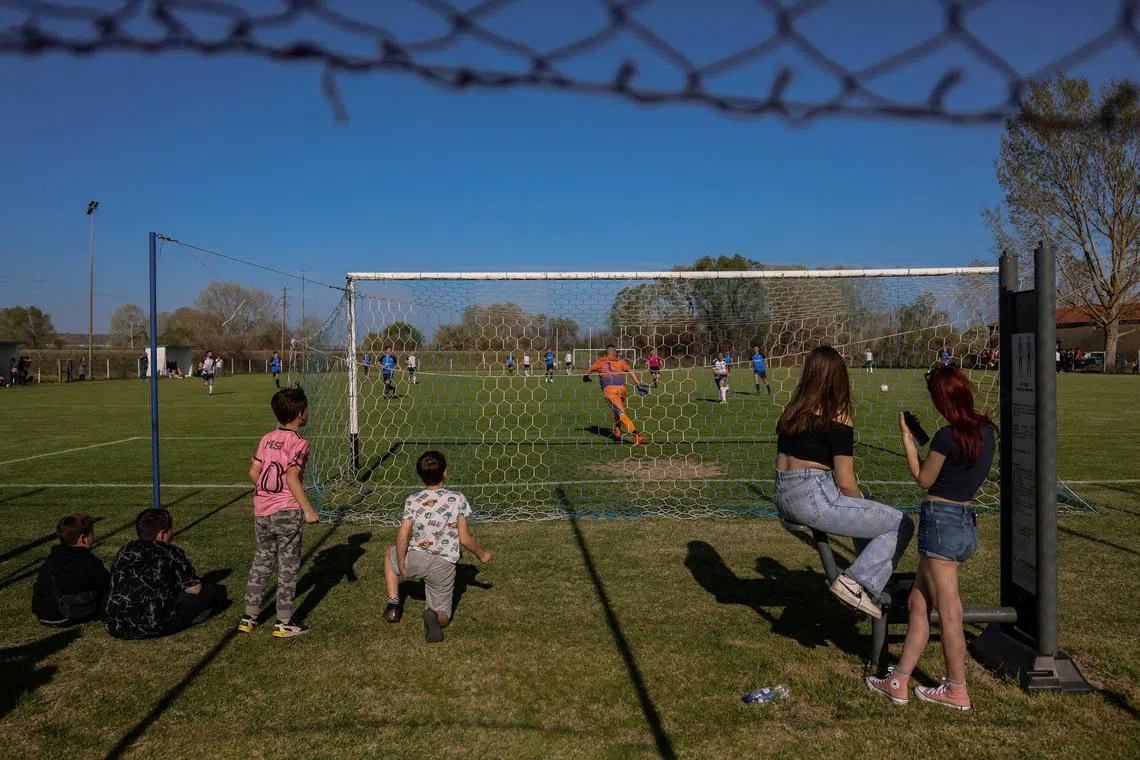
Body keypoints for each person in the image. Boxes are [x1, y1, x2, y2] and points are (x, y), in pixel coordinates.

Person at [866, 365, 996, 711]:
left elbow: (924, 479)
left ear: (943, 400)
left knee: (949, 610)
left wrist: (908, 440)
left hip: (941, 523)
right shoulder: (986, 432)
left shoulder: (946, 436)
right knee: (916, 604)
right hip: (964, 522)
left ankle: (957, 689)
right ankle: (899, 680)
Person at [774, 346, 914, 619]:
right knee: (901, 523)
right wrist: (861, 500)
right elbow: (847, 483)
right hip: (813, 498)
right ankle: (857, 582)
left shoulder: (791, 412)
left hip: (784, 495)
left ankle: (871, 584)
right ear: (839, 379)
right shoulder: (837, 418)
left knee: (867, 510)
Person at [384, 450, 492, 643]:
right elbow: (465, 538)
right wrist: (482, 554)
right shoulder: (457, 498)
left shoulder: (413, 500)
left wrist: (401, 563)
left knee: (389, 554)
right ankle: (434, 618)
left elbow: (402, 535)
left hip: (417, 557)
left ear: (420, 475)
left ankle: (393, 604)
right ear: (445, 473)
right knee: (444, 615)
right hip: (444, 564)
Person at [238, 387, 321, 638]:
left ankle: (249, 617)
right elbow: (292, 476)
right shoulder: (299, 443)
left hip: (262, 510)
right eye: (306, 408)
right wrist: (308, 510)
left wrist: (267, 494)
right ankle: (284, 622)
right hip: (287, 511)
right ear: (299, 414)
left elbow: (254, 472)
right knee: (288, 566)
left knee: (261, 561)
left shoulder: (266, 438)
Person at [104, 509, 225, 639]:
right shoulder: (171, 552)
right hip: (152, 624)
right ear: (162, 534)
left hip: (115, 623)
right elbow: (194, 589)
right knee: (209, 591)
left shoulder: (126, 549)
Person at [32, 514, 110, 626]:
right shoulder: (87, 560)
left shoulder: (53, 556)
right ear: (83, 538)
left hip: (43, 613)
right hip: (66, 613)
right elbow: (106, 582)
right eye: (92, 533)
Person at [584, 345, 647, 446]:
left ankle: (637, 434)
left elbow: (588, 371)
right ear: (615, 353)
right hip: (622, 389)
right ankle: (618, 431)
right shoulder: (620, 361)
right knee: (617, 411)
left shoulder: (600, 361)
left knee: (620, 412)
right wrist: (638, 384)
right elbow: (631, 371)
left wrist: (585, 378)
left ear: (605, 353)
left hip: (610, 391)